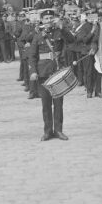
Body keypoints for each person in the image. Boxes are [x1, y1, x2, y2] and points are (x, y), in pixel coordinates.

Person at [28, 9, 75, 141]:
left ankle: (59, 130)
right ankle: (48, 131)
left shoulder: (60, 32)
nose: (49, 21)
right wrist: (33, 71)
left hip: (58, 72)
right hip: (43, 73)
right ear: (42, 21)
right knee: (46, 104)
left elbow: (72, 41)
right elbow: (32, 56)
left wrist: (63, 27)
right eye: (46, 18)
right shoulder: (38, 36)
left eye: (51, 18)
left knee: (58, 104)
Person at [75, 11, 101, 99]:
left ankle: (98, 91)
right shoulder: (84, 27)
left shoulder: (99, 25)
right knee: (89, 72)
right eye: (91, 16)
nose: (93, 18)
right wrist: (92, 31)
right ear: (87, 17)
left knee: (98, 71)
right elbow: (85, 40)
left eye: (94, 15)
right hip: (87, 52)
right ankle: (89, 91)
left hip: (97, 51)